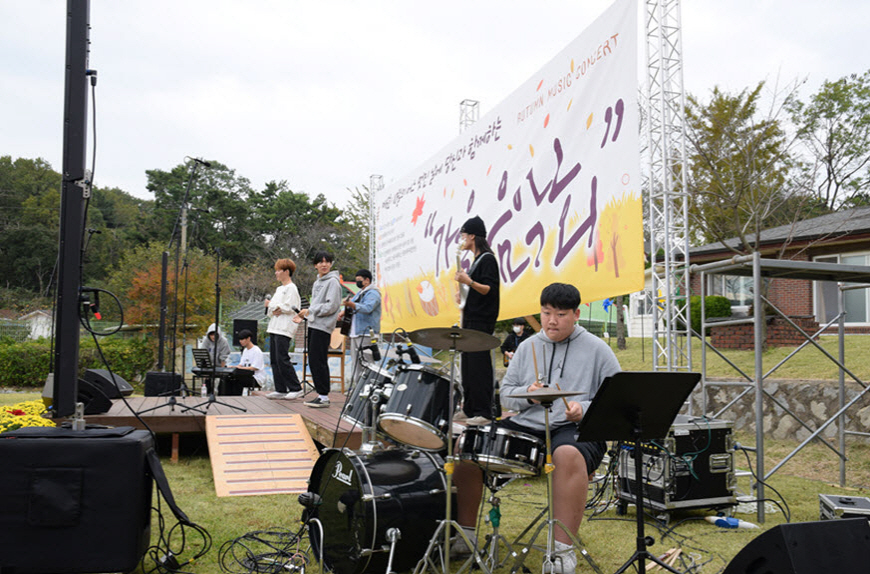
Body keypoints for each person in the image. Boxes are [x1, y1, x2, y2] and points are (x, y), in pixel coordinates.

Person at [453, 283, 620, 574]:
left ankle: (561, 553)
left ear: (577, 314)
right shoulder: (527, 346)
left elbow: (618, 398)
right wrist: (528, 394)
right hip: (528, 423)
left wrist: (584, 409)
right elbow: (506, 395)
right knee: (468, 447)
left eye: (561, 314)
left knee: (567, 454)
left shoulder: (598, 350)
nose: (552, 320)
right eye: (546, 313)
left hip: (573, 428)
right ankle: (465, 536)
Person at [454, 215, 500, 426]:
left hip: (482, 320)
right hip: (470, 318)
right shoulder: (476, 260)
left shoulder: (488, 259)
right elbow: (475, 289)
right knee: (468, 365)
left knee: (480, 365)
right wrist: (463, 292)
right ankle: (470, 407)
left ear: (473, 235)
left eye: (464, 235)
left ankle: (484, 410)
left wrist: (468, 281)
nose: (462, 239)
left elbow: (489, 289)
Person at [297, 251, 343, 408]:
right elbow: (316, 305)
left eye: (327, 261)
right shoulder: (318, 282)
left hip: (323, 326)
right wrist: (306, 314)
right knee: (314, 360)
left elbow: (332, 306)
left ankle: (324, 396)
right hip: (314, 324)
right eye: (320, 262)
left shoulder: (333, 282)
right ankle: (321, 394)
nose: (324, 264)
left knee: (319, 360)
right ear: (315, 265)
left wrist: (310, 311)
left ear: (331, 264)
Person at [264, 258, 304, 400]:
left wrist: (273, 306)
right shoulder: (279, 289)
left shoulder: (292, 289)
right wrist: (273, 307)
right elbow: (272, 308)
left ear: (286, 272)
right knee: (274, 359)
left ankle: (295, 387)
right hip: (274, 326)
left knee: (282, 358)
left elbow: (289, 307)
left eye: (278, 270)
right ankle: (280, 388)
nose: (276, 273)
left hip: (284, 328)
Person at [340, 269, 381, 383]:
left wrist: (352, 305)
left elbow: (368, 308)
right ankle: (357, 390)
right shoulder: (360, 292)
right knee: (356, 364)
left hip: (366, 333)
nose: (357, 283)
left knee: (367, 363)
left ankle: (368, 387)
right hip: (355, 333)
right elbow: (351, 303)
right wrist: (343, 311)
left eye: (359, 280)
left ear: (367, 280)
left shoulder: (373, 293)